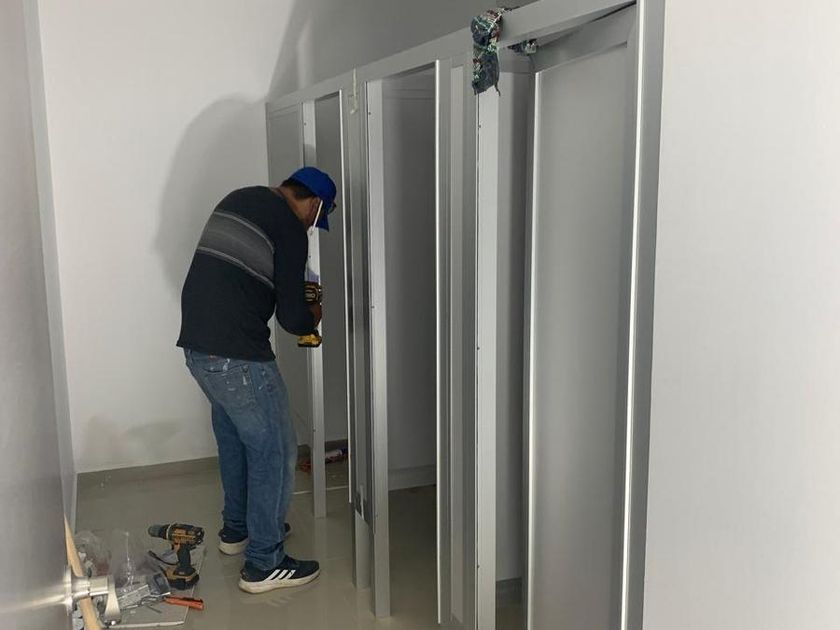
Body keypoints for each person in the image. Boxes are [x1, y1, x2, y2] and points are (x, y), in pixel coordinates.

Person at [177, 167, 336, 594]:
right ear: (314, 203)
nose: (312, 224)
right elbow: (293, 319)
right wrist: (314, 314)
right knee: (276, 450)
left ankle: (238, 530)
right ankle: (265, 561)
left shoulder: (241, 197)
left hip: (199, 350)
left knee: (235, 441)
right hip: (238, 357)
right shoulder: (290, 226)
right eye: (317, 217)